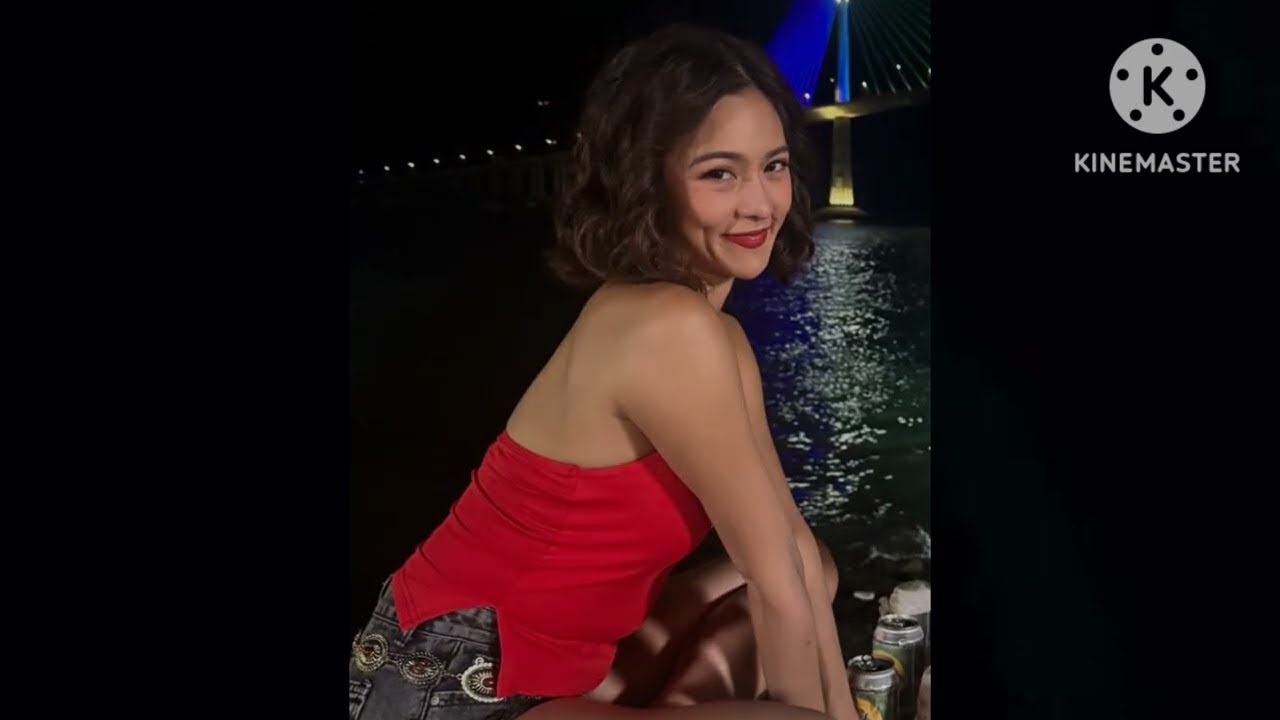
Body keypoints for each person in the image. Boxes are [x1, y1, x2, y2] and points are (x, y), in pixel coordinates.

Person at [349, 22, 858, 720]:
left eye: (773, 166)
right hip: (450, 679)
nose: (760, 203)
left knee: (812, 564)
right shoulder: (666, 329)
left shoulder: (714, 332)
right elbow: (775, 585)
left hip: (554, 663)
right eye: (719, 173)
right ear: (651, 183)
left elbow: (790, 553)